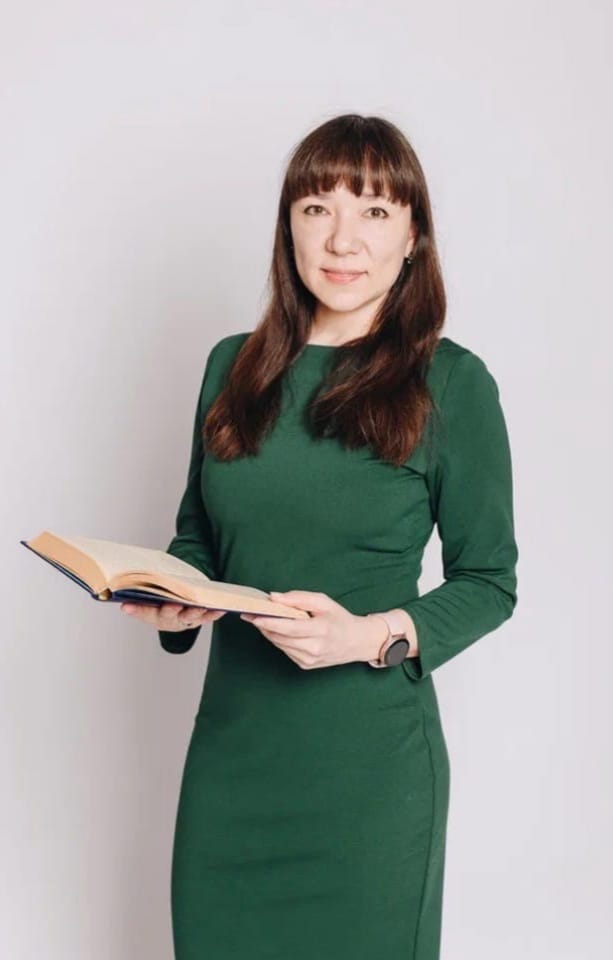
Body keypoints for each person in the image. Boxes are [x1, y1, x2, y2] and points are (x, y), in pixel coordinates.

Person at [120, 113, 518, 960]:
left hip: (369, 779)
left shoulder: (450, 382)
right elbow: (198, 535)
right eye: (316, 208)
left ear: (413, 236)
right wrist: (174, 601)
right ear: (288, 227)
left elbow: (489, 580)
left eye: (373, 211)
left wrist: (367, 637)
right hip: (232, 761)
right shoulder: (231, 366)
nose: (342, 239)